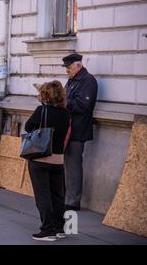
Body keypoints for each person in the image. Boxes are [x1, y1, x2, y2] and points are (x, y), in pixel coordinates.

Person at [25, 81, 70, 241]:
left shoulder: (41, 110)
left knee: (43, 196)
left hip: (40, 158)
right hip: (58, 160)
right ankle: (60, 228)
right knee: (58, 195)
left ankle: (47, 229)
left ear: (44, 95)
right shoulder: (66, 113)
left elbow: (27, 127)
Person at [62, 53, 98, 211]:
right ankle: (67, 197)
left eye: (69, 68)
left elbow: (83, 105)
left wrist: (63, 102)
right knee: (67, 165)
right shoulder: (72, 80)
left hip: (78, 129)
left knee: (74, 166)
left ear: (78, 65)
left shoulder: (87, 80)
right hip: (68, 128)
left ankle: (73, 202)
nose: (67, 71)